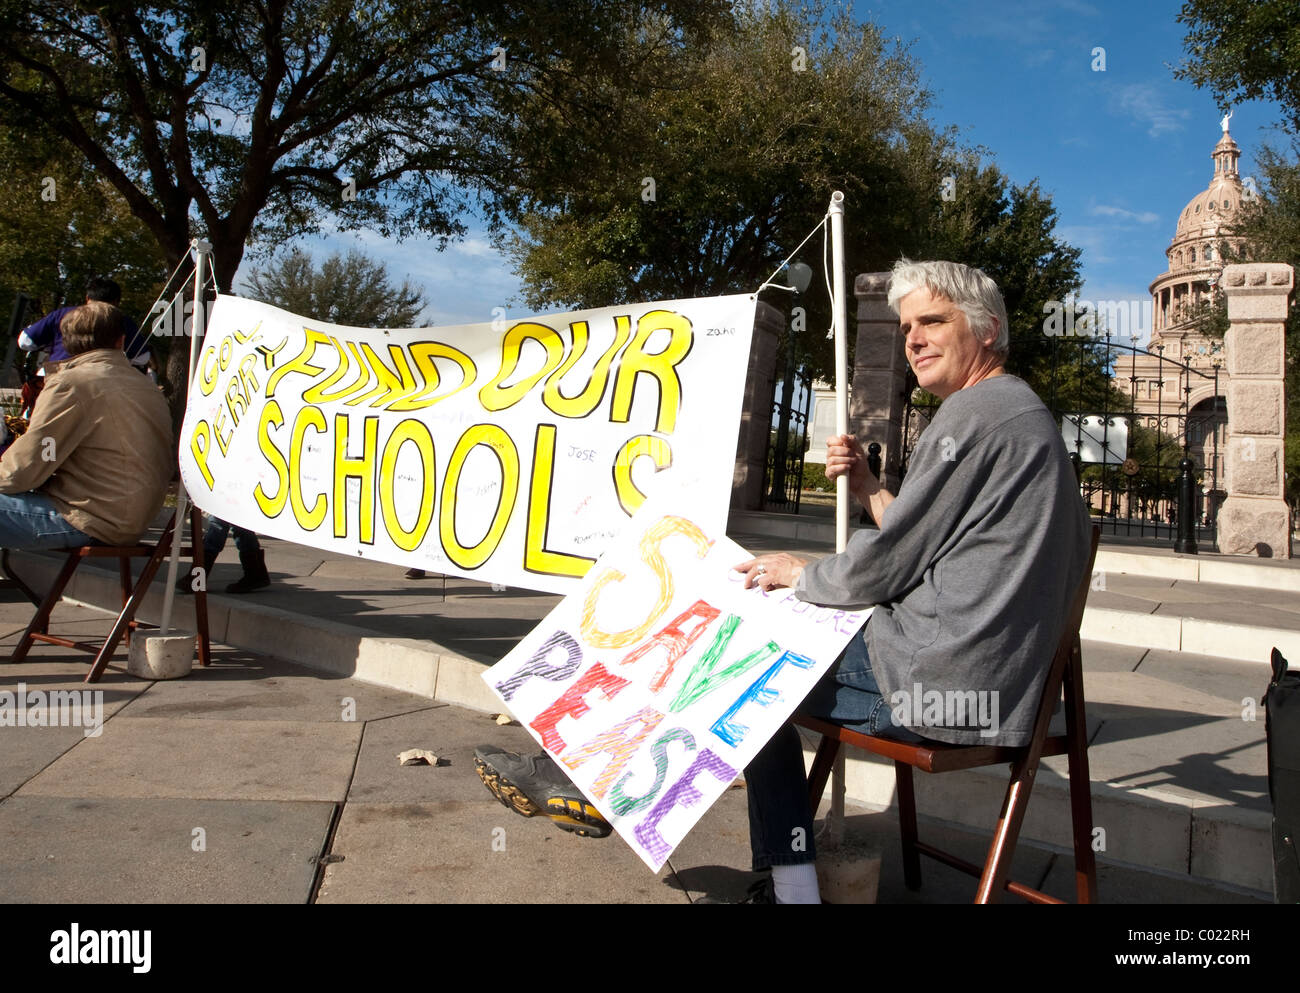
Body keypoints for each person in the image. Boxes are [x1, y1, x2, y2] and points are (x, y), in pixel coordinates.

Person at [471, 261, 1090, 900]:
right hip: (977, 682)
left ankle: (591, 786)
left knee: (727, 644)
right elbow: (922, 537)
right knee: (747, 662)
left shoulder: (974, 417)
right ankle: (777, 883)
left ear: (987, 330)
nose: (913, 338)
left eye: (934, 321)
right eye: (907, 325)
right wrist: (870, 489)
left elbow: (885, 564)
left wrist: (801, 574)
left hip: (931, 685)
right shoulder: (1019, 415)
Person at [0, 301, 173, 549]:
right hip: (127, 517)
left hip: (89, 517)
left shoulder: (72, 383)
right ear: (120, 341)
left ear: (66, 342)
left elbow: (25, 468)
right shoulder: (146, 386)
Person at [19, 276, 152, 380]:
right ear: (117, 301)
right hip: (102, 383)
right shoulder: (123, 321)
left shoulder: (62, 315)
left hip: (55, 379)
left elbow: (25, 341)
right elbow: (142, 357)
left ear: (87, 297)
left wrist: (49, 345)